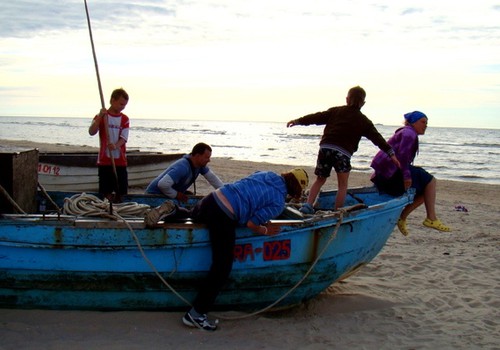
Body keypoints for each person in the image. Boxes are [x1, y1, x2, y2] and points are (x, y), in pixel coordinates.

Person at [144, 168, 309, 331]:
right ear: (296, 190)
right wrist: (265, 230)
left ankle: (173, 210)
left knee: (192, 215)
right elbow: (252, 224)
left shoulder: (267, 173)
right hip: (223, 215)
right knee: (222, 267)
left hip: (213, 199)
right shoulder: (278, 202)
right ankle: (195, 315)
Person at [287, 86, 399, 212]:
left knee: (320, 179)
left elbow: (316, 117)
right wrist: (391, 154)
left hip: (326, 148)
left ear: (347, 99)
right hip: (343, 153)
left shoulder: (336, 111)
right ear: (363, 103)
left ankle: (308, 205)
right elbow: (378, 139)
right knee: (343, 184)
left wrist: (297, 121)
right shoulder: (364, 121)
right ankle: (337, 211)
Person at [370, 111, 451, 236]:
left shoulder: (406, 132)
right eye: (423, 122)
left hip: (386, 174)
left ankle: (403, 218)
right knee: (431, 181)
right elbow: (402, 157)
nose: (426, 125)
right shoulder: (409, 134)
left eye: (427, 123)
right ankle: (431, 218)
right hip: (391, 174)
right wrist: (406, 177)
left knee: (427, 189)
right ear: (413, 122)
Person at [88, 88, 130, 202]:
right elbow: (91, 131)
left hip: (120, 161)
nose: (122, 107)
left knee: (121, 192)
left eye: (125, 105)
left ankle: (119, 211)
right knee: (105, 192)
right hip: (104, 161)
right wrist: (100, 117)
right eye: (121, 104)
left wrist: (115, 145)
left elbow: (124, 138)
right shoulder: (102, 116)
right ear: (112, 100)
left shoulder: (125, 119)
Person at [145, 142, 223, 202]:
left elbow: (214, 180)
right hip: (153, 196)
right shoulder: (182, 167)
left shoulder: (200, 166)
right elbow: (162, 184)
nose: (209, 160)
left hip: (166, 194)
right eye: (207, 157)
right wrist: (176, 194)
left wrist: (226, 192)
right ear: (197, 156)